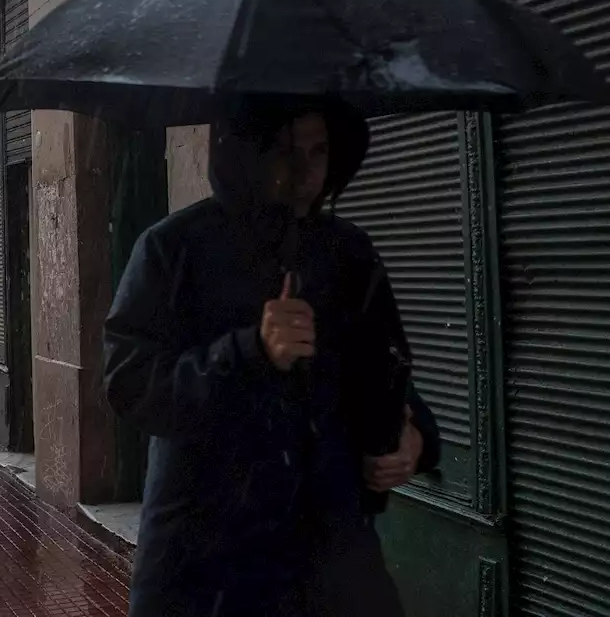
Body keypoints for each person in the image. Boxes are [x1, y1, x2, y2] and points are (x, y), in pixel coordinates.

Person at [103, 97, 441, 617]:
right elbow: (130, 384)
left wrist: (413, 433)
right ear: (248, 152)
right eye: (286, 151)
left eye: (319, 150)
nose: (306, 170)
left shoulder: (349, 253)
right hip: (207, 563)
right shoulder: (174, 249)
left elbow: (385, 366)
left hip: (332, 558)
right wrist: (250, 352)